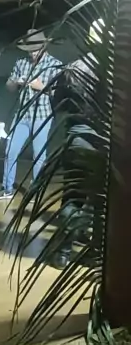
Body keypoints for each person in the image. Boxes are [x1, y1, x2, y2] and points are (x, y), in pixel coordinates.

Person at [47, 20, 103, 270]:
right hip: (107, 141)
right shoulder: (117, 72)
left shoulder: (73, 68)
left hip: (77, 136)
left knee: (73, 197)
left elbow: (57, 104)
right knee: (102, 202)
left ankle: (63, 253)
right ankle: (97, 254)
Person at [0, 29, 62, 201]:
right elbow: (9, 87)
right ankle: (7, 188)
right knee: (10, 150)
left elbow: (59, 93)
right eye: (30, 50)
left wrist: (41, 87)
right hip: (21, 114)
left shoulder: (55, 64)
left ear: (44, 47)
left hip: (42, 115)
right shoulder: (21, 63)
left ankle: (35, 190)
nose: (32, 53)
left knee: (38, 155)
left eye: (36, 50)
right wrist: (14, 82)